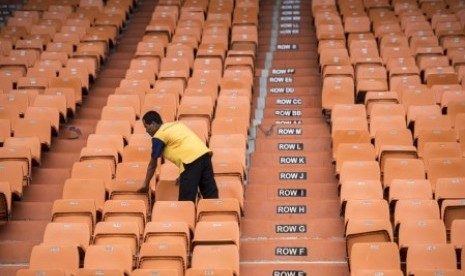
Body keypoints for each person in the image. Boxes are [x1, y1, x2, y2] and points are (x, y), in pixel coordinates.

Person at [141, 110, 219, 202]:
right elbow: (183, 145)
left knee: (186, 200)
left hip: (190, 161)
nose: (146, 131)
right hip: (204, 155)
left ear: (153, 124)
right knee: (210, 194)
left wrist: (146, 184)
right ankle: (214, 214)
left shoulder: (159, 135)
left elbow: (152, 164)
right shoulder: (176, 125)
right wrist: (184, 174)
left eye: (146, 127)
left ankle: (185, 216)